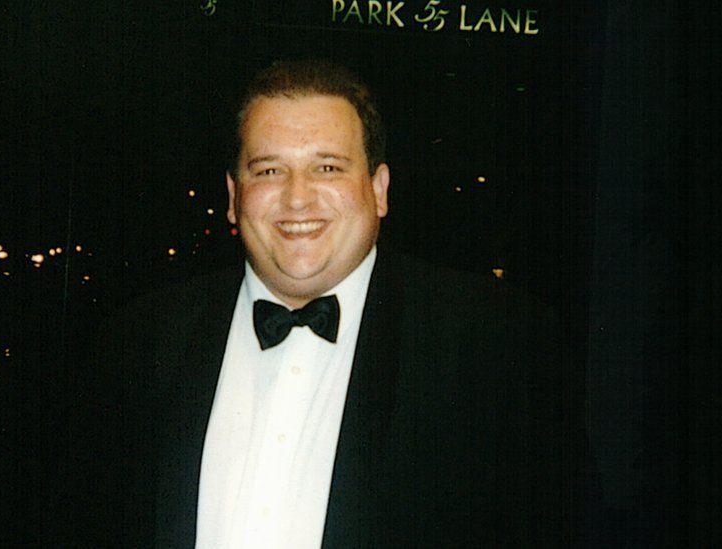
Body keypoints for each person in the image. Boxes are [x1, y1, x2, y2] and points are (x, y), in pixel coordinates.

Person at [52, 59, 570, 547]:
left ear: (379, 189)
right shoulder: (141, 342)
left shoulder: (494, 343)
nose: (297, 199)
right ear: (234, 197)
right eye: (269, 170)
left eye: (327, 168)